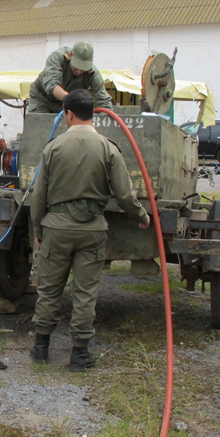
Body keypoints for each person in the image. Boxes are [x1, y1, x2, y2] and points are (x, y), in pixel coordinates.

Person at [29, 89, 150, 371]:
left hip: (56, 229)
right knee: (85, 292)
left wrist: (38, 228)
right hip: (92, 230)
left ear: (68, 113)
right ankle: (79, 353)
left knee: (49, 289)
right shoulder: (108, 147)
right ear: (92, 113)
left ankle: (41, 347)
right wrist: (141, 216)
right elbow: (124, 194)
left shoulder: (53, 147)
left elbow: (39, 195)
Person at [27, 42, 113, 114]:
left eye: (83, 69)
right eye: (77, 66)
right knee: (40, 129)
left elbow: (103, 100)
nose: (79, 72)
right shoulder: (57, 57)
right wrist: (75, 100)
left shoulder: (92, 73)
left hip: (67, 105)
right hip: (43, 99)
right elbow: (52, 85)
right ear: (70, 55)